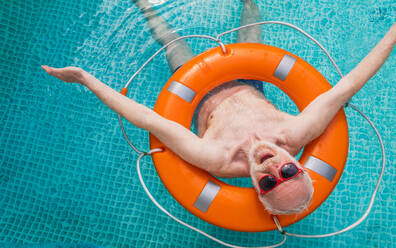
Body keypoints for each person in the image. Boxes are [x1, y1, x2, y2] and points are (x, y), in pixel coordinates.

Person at [41, 0, 395, 215]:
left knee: (172, 41)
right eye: (287, 172)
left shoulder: (218, 158)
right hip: (249, 77)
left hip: (194, 93)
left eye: (269, 182)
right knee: (252, 18)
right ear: (298, 165)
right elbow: (350, 82)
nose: (272, 168)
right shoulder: (296, 132)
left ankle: (144, 5)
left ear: (257, 188)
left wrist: (86, 79)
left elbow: (147, 118)